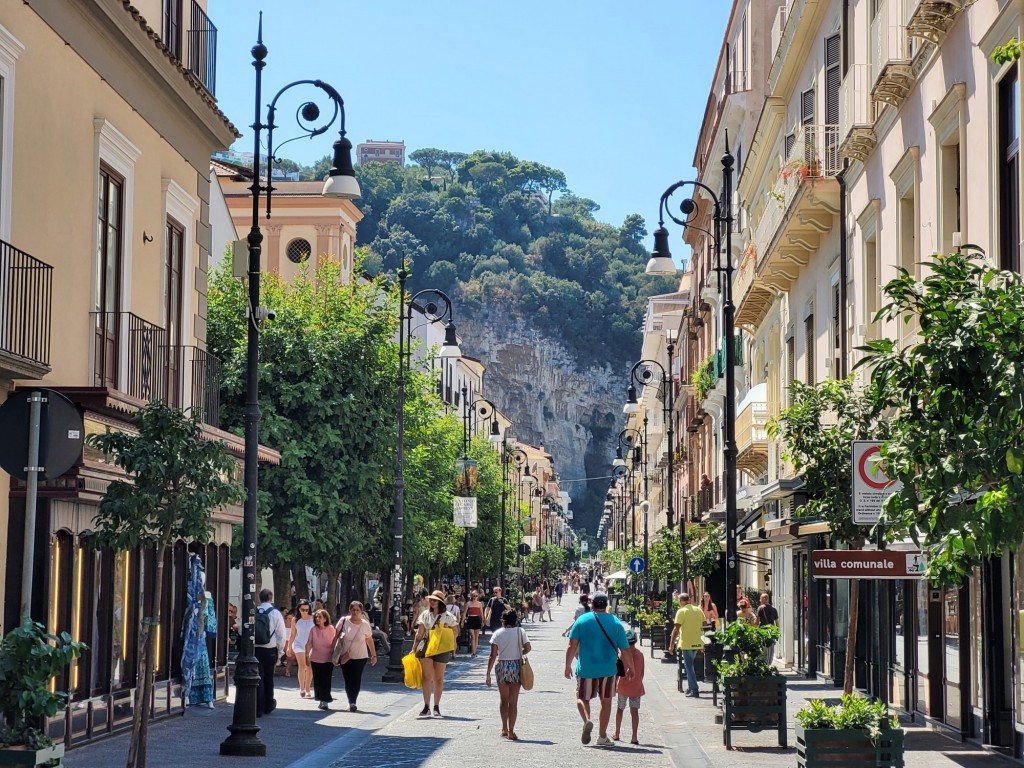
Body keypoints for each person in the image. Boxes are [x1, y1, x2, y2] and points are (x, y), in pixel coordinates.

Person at [564, 592, 633, 748]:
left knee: (582, 698)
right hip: (608, 669)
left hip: (586, 668)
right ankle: (602, 736)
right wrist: (631, 667)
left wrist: (568, 665)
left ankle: (587, 720)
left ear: (592, 605)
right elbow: (625, 649)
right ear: (606, 605)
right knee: (606, 700)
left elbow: (571, 645)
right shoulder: (616, 622)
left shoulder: (581, 620)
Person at [486, 608, 532, 740]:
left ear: (503, 621)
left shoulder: (497, 633)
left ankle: (504, 728)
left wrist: (488, 673)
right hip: (515, 666)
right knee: (513, 702)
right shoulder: (520, 631)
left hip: (502, 666)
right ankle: (511, 731)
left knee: (503, 699)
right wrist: (519, 652)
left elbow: (493, 655)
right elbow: (528, 648)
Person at [415, 590, 458, 718]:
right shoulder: (425, 615)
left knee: (438, 678)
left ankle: (436, 706)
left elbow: (455, 631)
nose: (432, 602)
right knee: (426, 677)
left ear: (440, 601)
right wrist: (414, 647)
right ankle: (426, 706)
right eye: (431, 600)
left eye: (434, 600)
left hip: (442, 647)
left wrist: (446, 631)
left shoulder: (448, 616)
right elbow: (419, 633)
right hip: (427, 646)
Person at [333, 600, 377, 711]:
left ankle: (353, 702)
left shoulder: (365, 625)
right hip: (345, 656)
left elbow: (369, 640)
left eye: (357, 610)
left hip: (360, 657)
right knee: (348, 679)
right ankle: (350, 700)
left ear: (361, 612)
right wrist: (332, 650)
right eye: (353, 609)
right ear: (350, 610)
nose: (355, 612)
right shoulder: (343, 621)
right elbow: (335, 636)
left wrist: (373, 655)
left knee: (356, 679)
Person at [254, 589, 287, 717]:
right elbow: (281, 635)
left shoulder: (254, 611)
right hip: (270, 649)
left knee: (257, 678)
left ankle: (258, 706)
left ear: (260, 598)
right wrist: (280, 651)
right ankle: (268, 704)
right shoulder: (275, 613)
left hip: (256, 649)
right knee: (268, 678)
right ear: (270, 598)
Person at [612, 629, 645, 744]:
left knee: (620, 709)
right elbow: (642, 672)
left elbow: (618, 671)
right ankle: (634, 737)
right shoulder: (640, 655)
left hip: (623, 686)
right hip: (636, 687)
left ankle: (617, 733)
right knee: (634, 712)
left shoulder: (621, 655)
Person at [669, 593, 704, 698]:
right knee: (691, 665)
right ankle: (690, 688)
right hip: (698, 642)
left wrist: (671, 645)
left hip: (686, 643)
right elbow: (705, 625)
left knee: (689, 666)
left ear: (681, 601)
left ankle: (694, 689)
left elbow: (676, 629)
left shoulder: (681, 611)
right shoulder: (698, 610)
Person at [306, 608, 337, 710]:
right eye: (316, 617)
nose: (317, 619)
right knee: (318, 679)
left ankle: (325, 699)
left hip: (328, 658)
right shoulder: (313, 629)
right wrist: (306, 655)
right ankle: (320, 698)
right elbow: (309, 642)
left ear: (325, 618)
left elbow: (334, 642)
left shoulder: (331, 629)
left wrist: (334, 653)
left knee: (326, 679)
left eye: (320, 617)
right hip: (315, 658)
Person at [287, 600, 314, 698]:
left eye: (307, 610)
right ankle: (302, 688)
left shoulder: (313, 618)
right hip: (299, 644)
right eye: (303, 609)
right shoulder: (295, 620)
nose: (305, 612)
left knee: (309, 667)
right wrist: (289, 647)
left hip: (310, 645)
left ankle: (308, 688)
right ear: (299, 609)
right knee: (302, 666)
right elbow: (292, 634)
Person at [756, 593, 779, 663]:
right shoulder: (774, 609)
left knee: (763, 647)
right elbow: (777, 623)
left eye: (760, 598)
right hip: (771, 630)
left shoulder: (760, 608)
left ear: (763, 599)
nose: (760, 600)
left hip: (762, 630)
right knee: (771, 647)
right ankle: (769, 662)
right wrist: (776, 631)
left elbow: (757, 621)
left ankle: (764, 662)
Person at [463, 590, 485, 656]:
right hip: (470, 619)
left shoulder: (479, 603)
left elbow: (481, 613)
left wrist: (483, 620)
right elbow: (465, 613)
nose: (475, 597)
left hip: (477, 619)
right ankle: (473, 651)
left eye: (476, 596)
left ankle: (475, 651)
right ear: (471, 596)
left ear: (477, 596)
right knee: (472, 636)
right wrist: (462, 621)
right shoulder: (468, 603)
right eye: (473, 596)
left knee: (476, 636)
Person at [281, 608, 295, 677]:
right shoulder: (282, 627)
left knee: (290, 655)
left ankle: (287, 670)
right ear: (285, 619)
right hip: (282, 644)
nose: (290, 620)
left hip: (290, 645)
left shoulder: (294, 628)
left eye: (291, 619)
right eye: (289, 619)